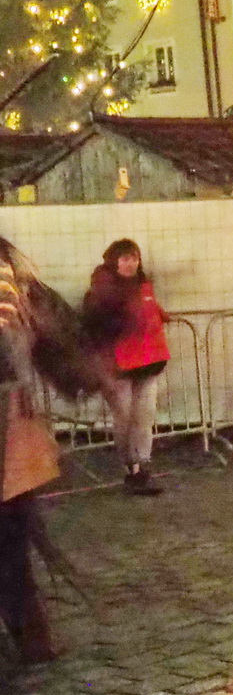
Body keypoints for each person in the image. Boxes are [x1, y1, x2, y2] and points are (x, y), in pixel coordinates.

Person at [3, 238, 104, 662]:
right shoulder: (15, 281)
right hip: (10, 431)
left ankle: (32, 637)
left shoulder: (15, 283)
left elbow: (53, 343)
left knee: (11, 543)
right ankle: (31, 637)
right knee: (11, 544)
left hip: (9, 434)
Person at [82, 239, 171, 495]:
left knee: (144, 417)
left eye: (134, 257)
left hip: (147, 362)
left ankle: (141, 466)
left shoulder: (144, 286)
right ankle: (132, 467)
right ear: (114, 261)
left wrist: (159, 315)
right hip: (119, 365)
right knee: (125, 420)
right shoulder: (101, 292)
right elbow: (95, 325)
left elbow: (149, 309)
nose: (131, 263)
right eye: (124, 258)